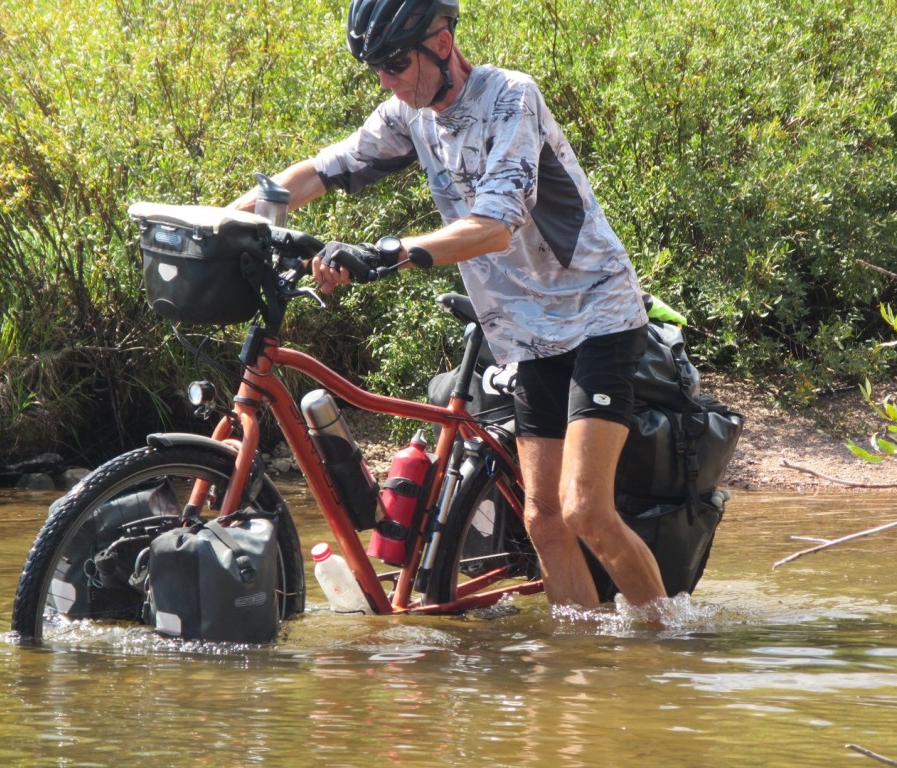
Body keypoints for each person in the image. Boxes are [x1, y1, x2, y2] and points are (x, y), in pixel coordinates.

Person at [230, 0, 667, 612]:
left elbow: (496, 225)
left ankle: (668, 638)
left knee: (583, 509)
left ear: (441, 43)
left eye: (395, 64)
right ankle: (583, 655)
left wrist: (388, 252)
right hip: (527, 333)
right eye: (376, 68)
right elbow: (320, 172)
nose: (386, 81)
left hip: (597, 313)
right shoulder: (408, 114)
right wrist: (221, 222)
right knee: (543, 519)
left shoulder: (510, 97)